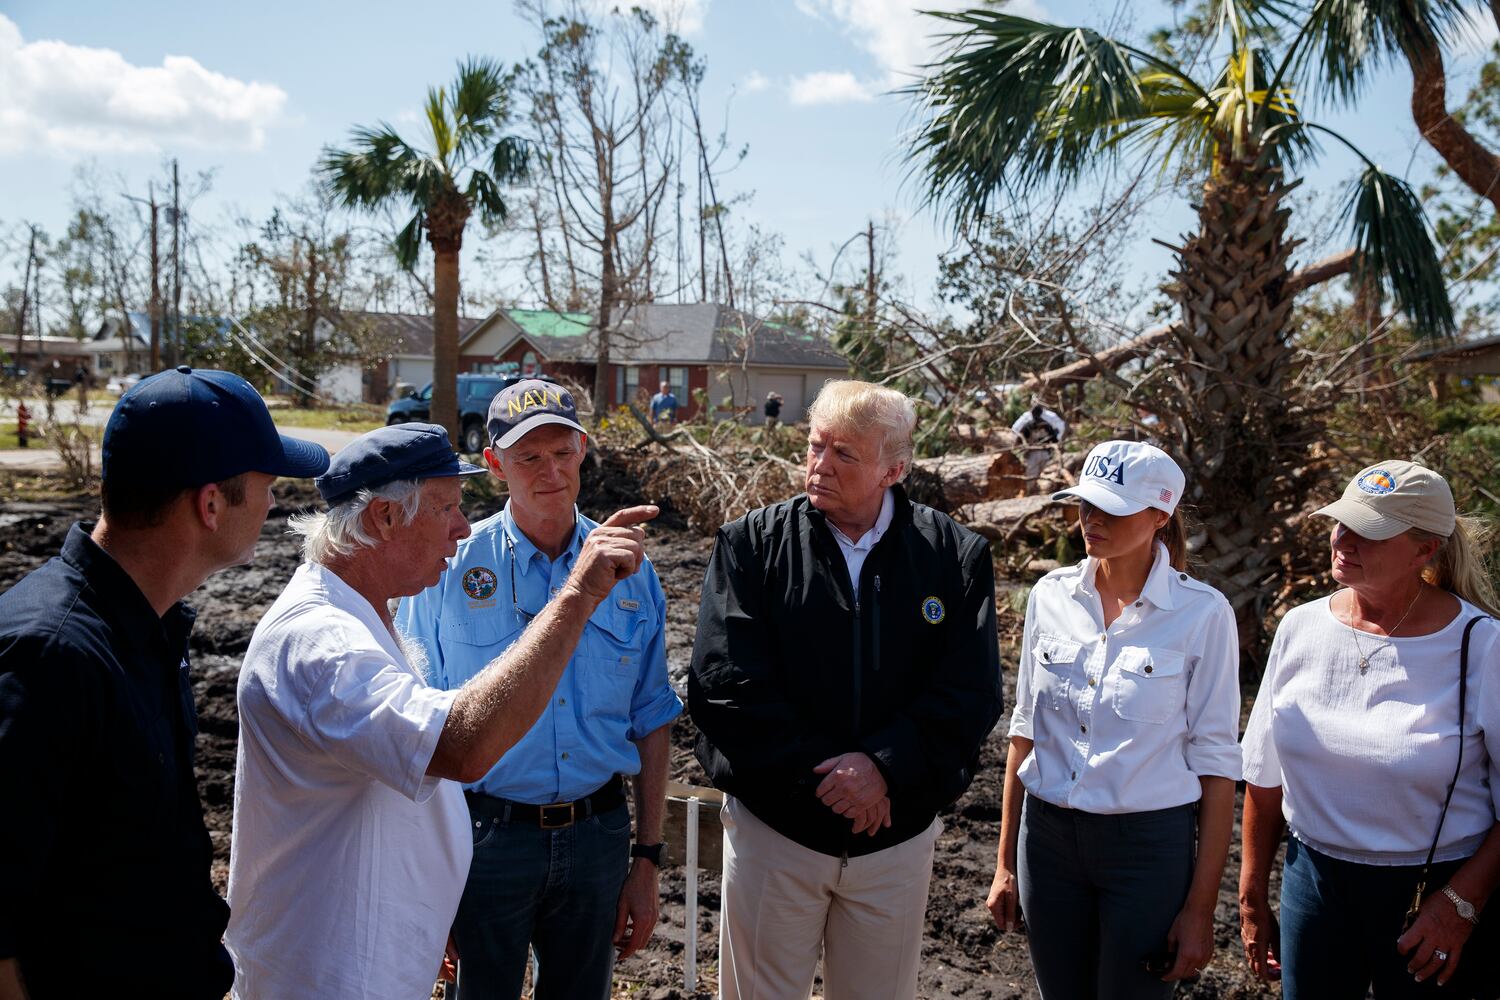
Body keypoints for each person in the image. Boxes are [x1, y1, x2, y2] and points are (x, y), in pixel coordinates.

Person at [225, 421, 660, 999]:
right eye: (447, 509)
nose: (461, 530)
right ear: (384, 517)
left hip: (359, 957)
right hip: (331, 971)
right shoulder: (324, 645)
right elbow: (459, 746)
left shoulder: (361, 615)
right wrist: (576, 595)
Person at [0, 366, 331, 999]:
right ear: (210, 504)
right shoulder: (50, 654)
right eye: (267, 486)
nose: (273, 504)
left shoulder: (148, 628)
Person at [690, 379, 1003, 1000]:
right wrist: (834, 780)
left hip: (893, 841)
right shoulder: (751, 546)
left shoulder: (954, 557)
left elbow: (970, 692)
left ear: (894, 469)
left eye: (845, 455)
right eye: (815, 447)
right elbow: (724, 685)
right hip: (777, 834)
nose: (820, 466)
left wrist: (885, 769)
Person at [396, 379, 681, 1000]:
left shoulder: (633, 570)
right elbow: (416, 723)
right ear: (495, 463)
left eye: (562, 451)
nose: (549, 471)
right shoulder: (451, 565)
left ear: (583, 449)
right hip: (485, 840)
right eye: (528, 456)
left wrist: (647, 859)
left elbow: (652, 718)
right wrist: (425, 875)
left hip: (596, 838)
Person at [987, 439, 1241, 999]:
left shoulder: (1203, 615)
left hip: (1148, 852)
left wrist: (1201, 910)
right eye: (1085, 504)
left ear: (1160, 516)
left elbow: (1219, 768)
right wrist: (1005, 863)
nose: (1092, 520)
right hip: (1047, 843)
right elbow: (1024, 730)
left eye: (1114, 509)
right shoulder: (1050, 596)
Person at [1240, 461, 1500, 998]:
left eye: (1370, 531)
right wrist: (1251, 895)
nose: (1344, 540)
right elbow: (1262, 775)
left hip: (1433, 895)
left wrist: (1460, 906)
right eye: (1341, 522)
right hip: (1310, 884)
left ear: (1425, 550)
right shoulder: (1300, 627)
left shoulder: (1483, 646)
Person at [1012, 402, 1067, 489]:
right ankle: (1042, 491)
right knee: (1045, 475)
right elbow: (1055, 439)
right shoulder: (1047, 425)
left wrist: (1017, 447)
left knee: (1031, 476)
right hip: (1046, 453)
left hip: (1033, 454)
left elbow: (1020, 438)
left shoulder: (1028, 425)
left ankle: (1032, 491)